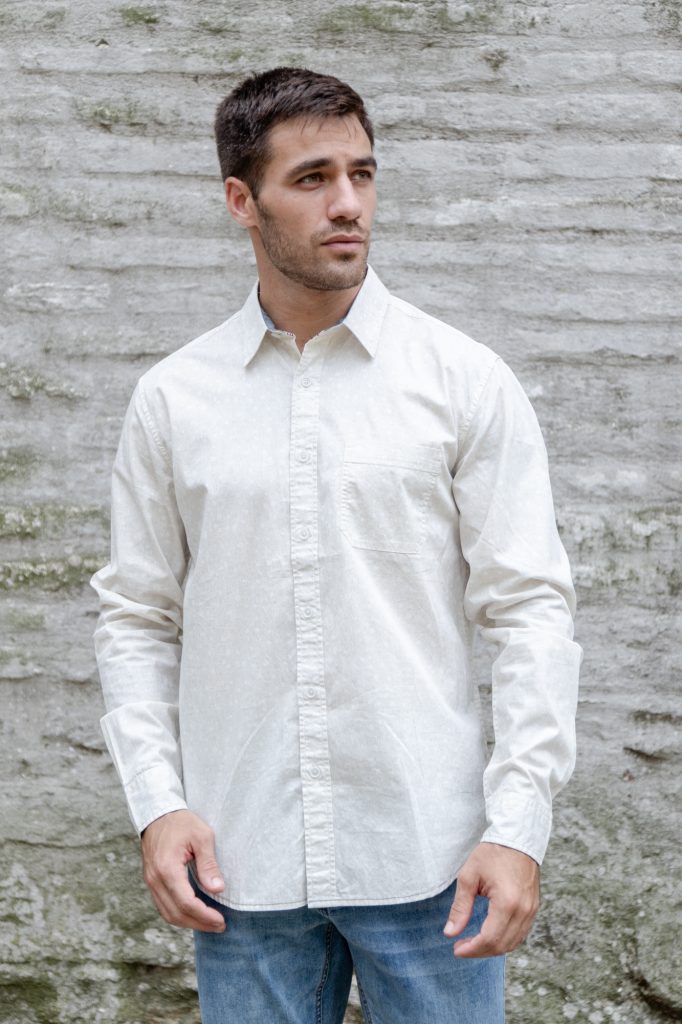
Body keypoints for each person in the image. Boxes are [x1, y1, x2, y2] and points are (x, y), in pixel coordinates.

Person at [90, 66, 582, 1023]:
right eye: (312, 178)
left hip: (433, 863)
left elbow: (529, 610)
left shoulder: (463, 380)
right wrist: (158, 803)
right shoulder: (174, 399)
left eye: (362, 173)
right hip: (242, 867)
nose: (348, 203)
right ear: (243, 201)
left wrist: (520, 825)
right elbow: (137, 614)